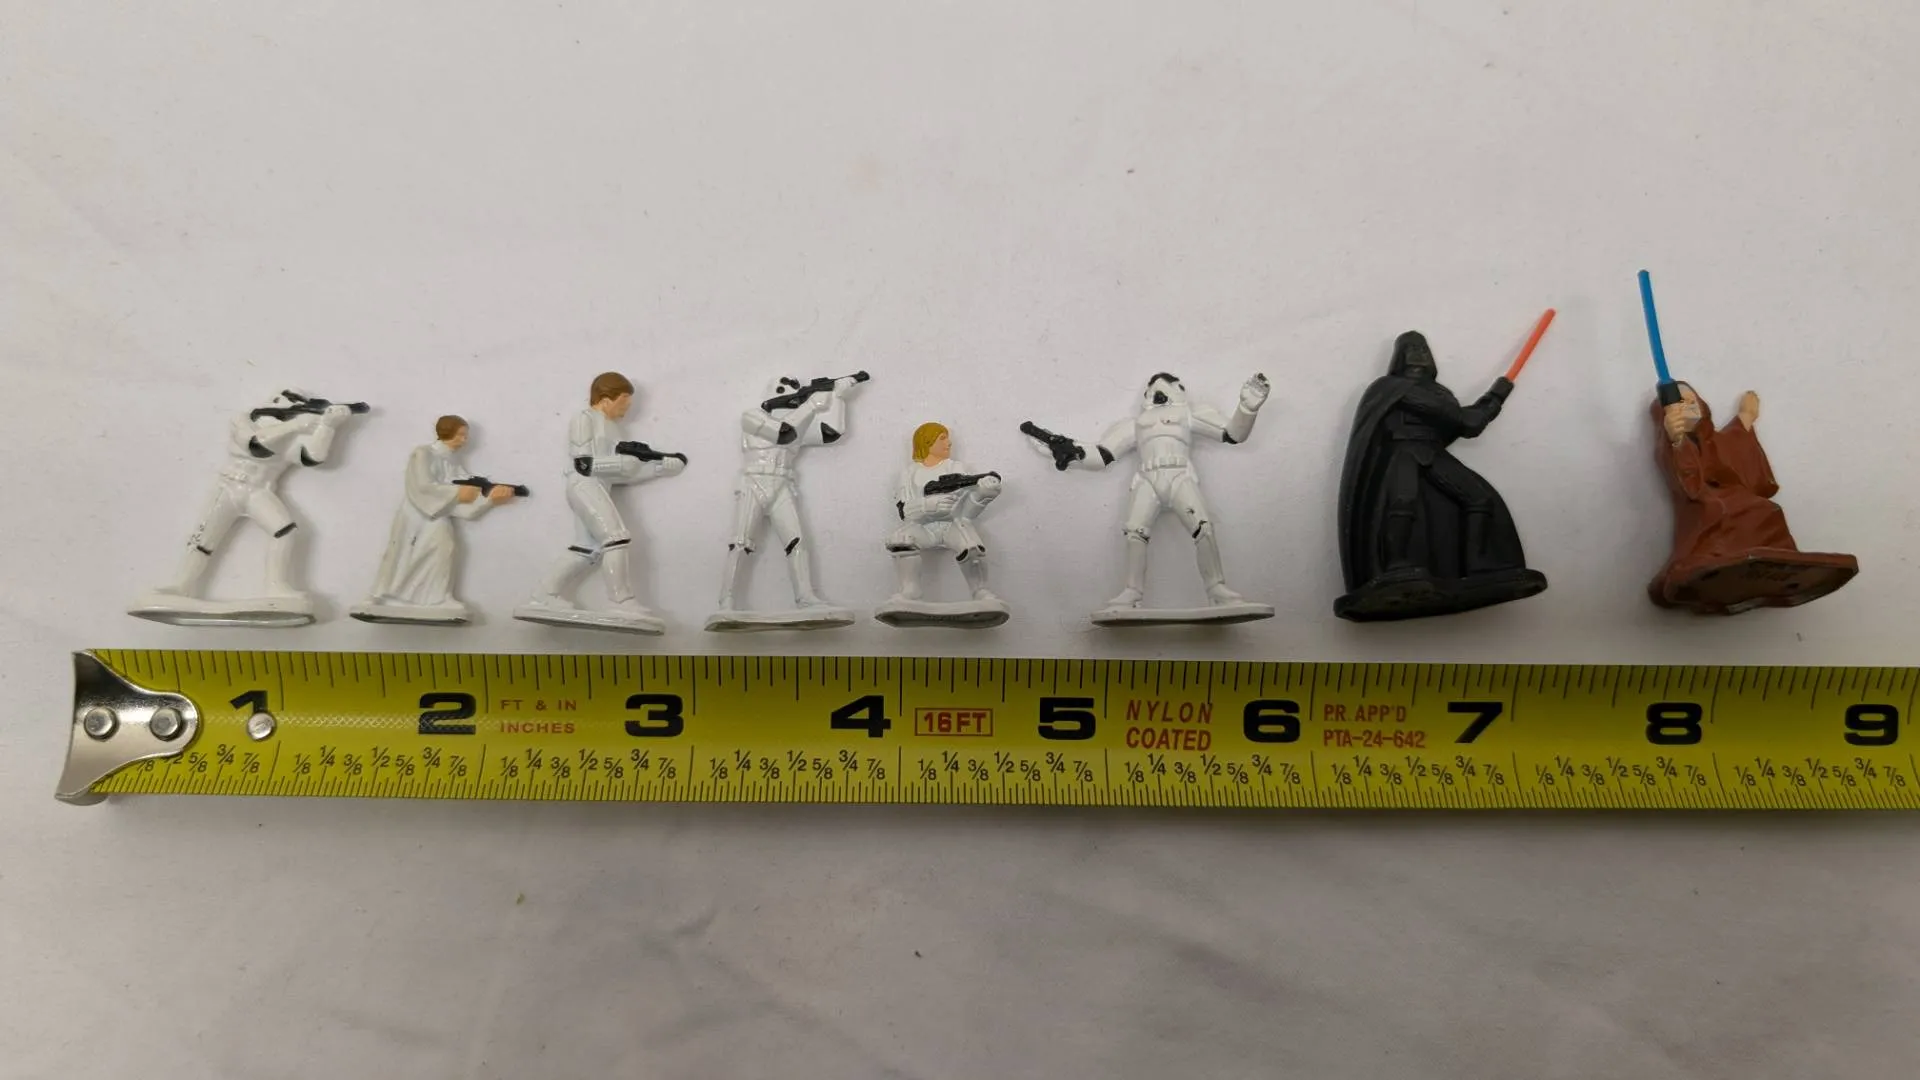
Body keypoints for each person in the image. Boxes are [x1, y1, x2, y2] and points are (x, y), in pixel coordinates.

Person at [1022, 371, 1272, 625]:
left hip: (1179, 474)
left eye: (1164, 387)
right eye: (1150, 390)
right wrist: (1069, 449)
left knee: (1203, 528)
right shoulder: (1136, 424)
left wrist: (1247, 409)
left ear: (1179, 389)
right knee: (1134, 532)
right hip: (1147, 478)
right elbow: (1103, 454)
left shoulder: (1188, 414)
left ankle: (1217, 588)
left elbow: (1232, 433)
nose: (1156, 392)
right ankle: (1132, 591)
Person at [1336, 331, 1545, 621]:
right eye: (1411, 349)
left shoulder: (1440, 393)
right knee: (1401, 503)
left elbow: (1468, 425)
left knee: (1479, 498)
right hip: (1401, 451)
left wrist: (1496, 396)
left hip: (1431, 451)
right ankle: (1396, 566)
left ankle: (1478, 564)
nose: (1419, 354)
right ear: (1399, 357)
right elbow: (1458, 417)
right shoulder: (1389, 387)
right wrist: (1481, 405)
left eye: (1423, 349)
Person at [130, 389, 360, 626]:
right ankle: (181, 585)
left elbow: (312, 457)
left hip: (258, 490)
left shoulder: (292, 433)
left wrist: (328, 426)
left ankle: (276, 586)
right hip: (228, 487)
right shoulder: (244, 421)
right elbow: (256, 445)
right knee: (203, 540)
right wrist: (296, 425)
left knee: (285, 532)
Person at [1648, 384, 1856, 613]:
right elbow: (1686, 483)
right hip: (1702, 500)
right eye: (1679, 402)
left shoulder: (1712, 439)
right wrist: (1677, 441)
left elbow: (1734, 441)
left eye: (1692, 400)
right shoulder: (1669, 445)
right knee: (1720, 510)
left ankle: (1781, 559)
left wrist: (1746, 415)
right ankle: (1713, 559)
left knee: (1766, 509)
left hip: (1732, 494)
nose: (1688, 405)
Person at [514, 373, 687, 634]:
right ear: (606, 398)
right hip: (584, 484)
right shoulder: (584, 418)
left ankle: (543, 595)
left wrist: (659, 468)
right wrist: (624, 464)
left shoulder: (614, 428)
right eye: (624, 400)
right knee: (616, 538)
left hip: (598, 487)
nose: (627, 407)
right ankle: (620, 601)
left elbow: (621, 475)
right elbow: (583, 464)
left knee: (587, 548)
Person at [707, 371, 867, 630]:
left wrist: (838, 397)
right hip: (754, 482)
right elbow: (782, 433)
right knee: (741, 543)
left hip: (782, 484)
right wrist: (810, 405)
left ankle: (806, 598)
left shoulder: (798, 419)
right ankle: (726, 602)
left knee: (797, 542)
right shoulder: (752, 416)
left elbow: (831, 433)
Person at [352, 416, 516, 625]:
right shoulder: (423, 453)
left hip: (439, 512)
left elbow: (467, 504)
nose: (464, 440)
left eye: (465, 436)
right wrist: (457, 492)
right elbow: (422, 486)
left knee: (444, 547)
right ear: (446, 432)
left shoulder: (454, 462)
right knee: (402, 554)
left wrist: (490, 499)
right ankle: (379, 596)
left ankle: (438, 597)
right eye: (461, 435)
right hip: (417, 513)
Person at [877, 423, 1005, 626]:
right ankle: (910, 591)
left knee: (971, 547)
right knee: (901, 540)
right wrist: (927, 506)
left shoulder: (955, 468)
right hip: (923, 526)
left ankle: (979, 590)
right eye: (942, 438)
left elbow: (968, 512)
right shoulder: (909, 473)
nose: (949, 443)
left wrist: (984, 494)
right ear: (927, 442)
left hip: (953, 524)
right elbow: (904, 511)